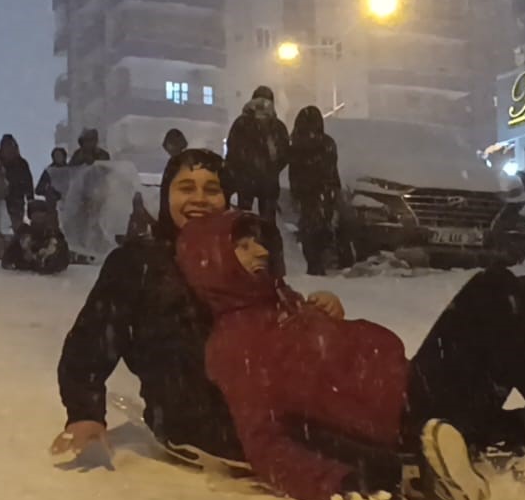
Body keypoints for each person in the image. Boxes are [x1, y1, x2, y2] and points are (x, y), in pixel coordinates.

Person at [176, 210, 525, 500]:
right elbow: (266, 444)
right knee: (495, 289)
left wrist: (329, 321)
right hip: (411, 419)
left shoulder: (285, 306)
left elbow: (331, 367)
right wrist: (345, 484)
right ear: (211, 262)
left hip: (416, 390)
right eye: (240, 247)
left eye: (256, 241)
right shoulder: (233, 345)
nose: (258, 251)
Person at [52, 149, 336, 471]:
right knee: (336, 448)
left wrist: (315, 311)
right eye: (186, 188)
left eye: (211, 190)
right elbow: (93, 340)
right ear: (166, 196)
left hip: (265, 402)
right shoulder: (139, 261)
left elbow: (279, 317)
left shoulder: (242, 253)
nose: (199, 199)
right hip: (191, 419)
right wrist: (85, 412)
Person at [288, 106, 346, 276]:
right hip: (321, 193)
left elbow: (294, 173)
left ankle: (315, 264)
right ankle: (318, 263)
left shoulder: (298, 144)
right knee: (320, 229)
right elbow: (331, 171)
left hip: (310, 194)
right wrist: (333, 190)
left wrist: (297, 192)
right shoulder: (326, 144)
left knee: (311, 231)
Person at [225, 86, 290, 225]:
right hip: (268, 184)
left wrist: (239, 172)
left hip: (245, 182)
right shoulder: (277, 126)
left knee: (243, 221)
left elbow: (233, 151)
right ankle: (267, 244)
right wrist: (271, 169)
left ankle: (245, 242)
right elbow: (284, 155)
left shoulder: (241, 123)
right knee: (267, 223)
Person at [2, 200, 71, 275]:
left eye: (42, 212)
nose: (39, 216)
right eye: (35, 213)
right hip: (24, 276)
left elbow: (63, 261)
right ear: (30, 216)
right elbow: (8, 258)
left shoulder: (54, 234)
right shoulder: (23, 233)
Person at [0, 134, 34, 236]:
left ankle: (16, 246)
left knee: (17, 226)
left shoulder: (21, 163)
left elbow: (28, 181)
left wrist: (30, 198)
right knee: (1, 228)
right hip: (1, 200)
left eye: (10, 146)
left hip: (17, 199)